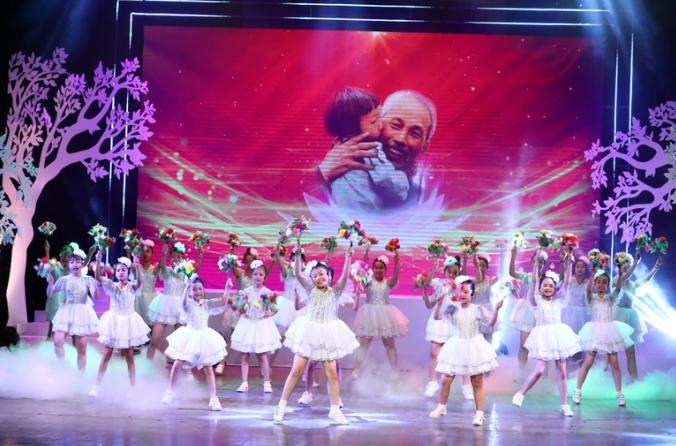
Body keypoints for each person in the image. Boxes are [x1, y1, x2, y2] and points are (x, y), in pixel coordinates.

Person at [273, 244, 358, 425]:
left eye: (322, 274)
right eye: (315, 275)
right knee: (296, 371)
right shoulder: (310, 290)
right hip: (309, 333)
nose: (319, 277)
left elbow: (344, 276)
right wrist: (297, 255)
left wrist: (348, 257)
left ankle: (335, 410)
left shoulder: (335, 293)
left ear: (329, 276)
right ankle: (281, 407)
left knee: (332, 374)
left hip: (328, 334)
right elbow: (298, 273)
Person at [317, 90, 437, 211]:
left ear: (424, 148)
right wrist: (323, 173)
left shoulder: (425, 202)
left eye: (415, 133)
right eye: (395, 125)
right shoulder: (329, 169)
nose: (401, 139)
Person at [511, 252, 581, 417]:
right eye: (545, 285)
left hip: (558, 335)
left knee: (562, 371)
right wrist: (536, 263)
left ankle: (564, 405)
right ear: (540, 287)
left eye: (551, 285)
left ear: (554, 288)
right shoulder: (536, 301)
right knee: (539, 370)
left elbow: (566, 284)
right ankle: (520, 393)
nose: (548, 288)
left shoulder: (559, 301)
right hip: (543, 336)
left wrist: (569, 263)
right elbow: (534, 281)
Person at [429, 275, 503, 426]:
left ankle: (479, 414)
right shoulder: (452, 308)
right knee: (446, 378)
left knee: (477, 380)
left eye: (466, 292)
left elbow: (490, 323)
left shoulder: (478, 309)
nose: (462, 294)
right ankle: (441, 407)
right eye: (460, 291)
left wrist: (496, 309)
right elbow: (437, 317)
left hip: (473, 346)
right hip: (456, 345)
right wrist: (438, 304)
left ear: (472, 294)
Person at [162, 277, 228, 411]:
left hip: (204, 337)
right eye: (194, 289)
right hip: (190, 337)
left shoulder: (206, 304)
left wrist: (227, 288)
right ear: (189, 292)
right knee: (178, 364)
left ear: (203, 290)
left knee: (208, 368)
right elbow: (183, 303)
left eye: (200, 289)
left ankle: (214, 398)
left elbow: (222, 301)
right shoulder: (188, 303)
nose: (197, 291)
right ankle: (171, 391)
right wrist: (186, 286)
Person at [89, 254, 150, 397]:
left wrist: (137, 265)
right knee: (107, 354)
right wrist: (98, 261)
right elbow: (98, 277)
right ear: (115, 273)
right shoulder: (112, 286)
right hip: (114, 322)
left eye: (123, 270)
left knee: (129, 356)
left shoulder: (132, 286)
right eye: (118, 270)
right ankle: (97, 385)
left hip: (128, 323)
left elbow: (139, 282)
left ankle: (132, 387)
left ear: (128, 272)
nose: (120, 272)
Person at [573, 269, 634, 407]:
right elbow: (588, 290)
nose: (601, 285)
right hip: (594, 332)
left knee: (614, 363)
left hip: (609, 332)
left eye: (604, 282)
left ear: (608, 285)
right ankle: (577, 391)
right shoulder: (592, 298)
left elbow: (618, 289)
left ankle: (619, 394)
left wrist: (620, 273)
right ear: (595, 283)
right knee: (588, 362)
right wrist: (592, 274)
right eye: (598, 282)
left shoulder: (610, 299)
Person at [421, 255, 474, 399]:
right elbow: (429, 301)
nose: (451, 275)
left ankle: (466, 385)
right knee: (434, 352)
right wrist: (433, 269)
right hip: (440, 322)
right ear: (444, 271)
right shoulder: (439, 284)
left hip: (456, 323)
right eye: (449, 271)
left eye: (455, 272)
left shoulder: (460, 285)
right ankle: (433, 382)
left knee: (462, 355)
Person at [351, 247, 408, 379]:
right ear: (372, 269)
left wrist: (396, 262)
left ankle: (394, 371)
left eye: (381, 268)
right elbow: (362, 271)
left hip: (385, 316)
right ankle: (356, 369)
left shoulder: (388, 282)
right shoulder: (368, 281)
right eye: (376, 268)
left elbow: (396, 276)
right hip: (369, 315)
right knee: (364, 343)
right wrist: (365, 257)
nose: (378, 270)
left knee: (389, 344)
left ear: (385, 269)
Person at [230, 259, 282, 393]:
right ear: (251, 275)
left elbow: (275, 308)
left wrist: (270, 313)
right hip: (248, 323)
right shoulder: (246, 291)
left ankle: (267, 382)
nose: (257, 277)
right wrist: (238, 309)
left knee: (263, 355)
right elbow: (241, 307)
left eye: (260, 274)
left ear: (265, 277)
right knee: (245, 355)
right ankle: (244, 383)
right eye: (255, 274)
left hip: (261, 324)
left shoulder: (268, 292)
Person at [147, 241, 204, 359]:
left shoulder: (185, 272)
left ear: (183, 258)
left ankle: (183, 368)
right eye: (173, 256)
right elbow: (162, 266)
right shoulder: (167, 270)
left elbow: (196, 270)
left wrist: (200, 255)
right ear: (170, 258)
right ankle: (147, 365)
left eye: (179, 256)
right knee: (154, 339)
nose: (176, 259)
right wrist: (164, 254)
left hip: (180, 307)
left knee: (183, 342)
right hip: (165, 306)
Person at [46, 246, 99, 372]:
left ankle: (80, 376)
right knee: (57, 342)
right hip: (66, 310)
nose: (75, 264)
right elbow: (51, 293)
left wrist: (96, 287)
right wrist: (50, 284)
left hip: (82, 312)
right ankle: (64, 368)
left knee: (82, 349)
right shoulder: (63, 279)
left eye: (78, 262)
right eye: (72, 262)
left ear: (82, 264)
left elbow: (96, 297)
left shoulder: (88, 279)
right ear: (69, 264)